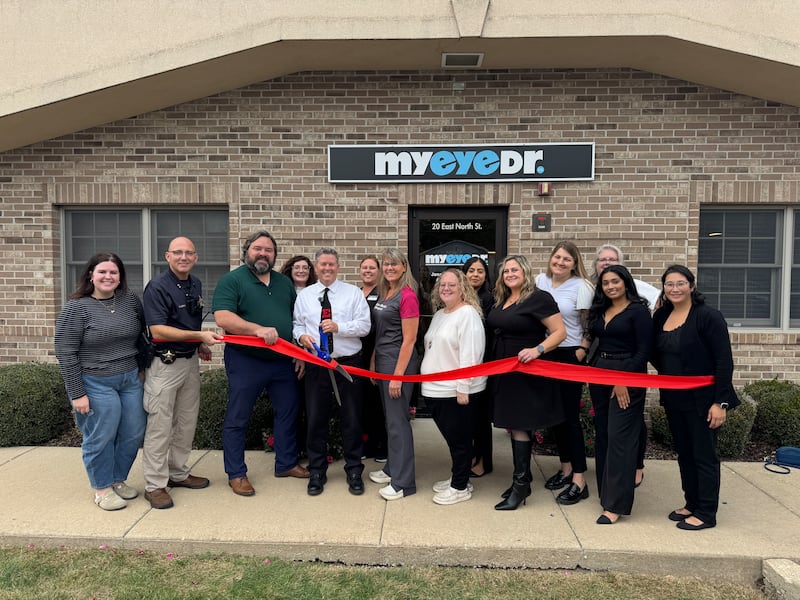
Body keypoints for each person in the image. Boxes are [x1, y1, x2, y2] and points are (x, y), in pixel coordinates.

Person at [212, 230, 308, 497]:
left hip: (282, 361)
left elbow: (295, 320)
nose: (263, 254)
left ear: (274, 255)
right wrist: (256, 329)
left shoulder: (283, 283)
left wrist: (298, 352)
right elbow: (222, 317)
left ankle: (286, 463)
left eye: (268, 250)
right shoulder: (232, 280)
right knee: (238, 416)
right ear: (247, 252)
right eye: (258, 249)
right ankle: (236, 473)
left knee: (288, 411)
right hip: (246, 361)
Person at [54, 253, 147, 511]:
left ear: (120, 277)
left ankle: (117, 479)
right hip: (95, 381)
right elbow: (65, 351)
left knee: (133, 432)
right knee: (101, 435)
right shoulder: (77, 307)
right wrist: (77, 393)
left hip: (129, 379)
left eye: (114, 272)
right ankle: (102, 488)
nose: (108, 277)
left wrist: (140, 369)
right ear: (90, 275)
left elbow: (141, 337)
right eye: (102, 272)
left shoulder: (129, 301)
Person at [651, 265, 738, 531]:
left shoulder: (708, 316)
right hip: (675, 400)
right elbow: (655, 353)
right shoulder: (661, 316)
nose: (674, 289)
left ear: (691, 285)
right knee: (685, 454)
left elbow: (724, 361)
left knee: (704, 456)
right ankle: (691, 503)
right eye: (669, 284)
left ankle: (706, 512)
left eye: (680, 284)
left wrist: (720, 402)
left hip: (704, 401)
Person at [140, 237, 224, 509]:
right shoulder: (157, 287)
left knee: (186, 422)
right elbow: (158, 330)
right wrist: (198, 334)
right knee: (160, 426)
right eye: (178, 252)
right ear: (167, 256)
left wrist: (198, 342)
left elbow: (190, 318)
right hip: (165, 365)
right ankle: (155, 485)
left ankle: (177, 473)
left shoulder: (195, 283)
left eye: (189, 253)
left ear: (196, 257)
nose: (183, 257)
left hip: (189, 362)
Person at [487, 255, 567, 511]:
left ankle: (521, 485)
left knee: (520, 423)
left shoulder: (538, 297)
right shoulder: (502, 298)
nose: (510, 274)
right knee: (512, 422)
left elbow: (560, 332)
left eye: (515, 269)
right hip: (503, 367)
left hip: (525, 368)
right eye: (506, 270)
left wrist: (538, 349)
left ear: (525, 271)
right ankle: (523, 481)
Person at [293, 248, 371, 496]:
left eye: (331, 265)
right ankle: (317, 471)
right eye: (323, 265)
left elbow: (365, 326)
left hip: (348, 364)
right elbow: (296, 324)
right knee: (316, 419)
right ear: (316, 267)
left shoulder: (353, 294)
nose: (327, 269)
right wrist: (300, 336)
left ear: (338, 266)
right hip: (317, 365)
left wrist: (339, 327)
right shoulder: (305, 295)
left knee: (352, 418)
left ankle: (354, 470)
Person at [587, 265, 653, 524]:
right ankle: (606, 493)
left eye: (615, 281)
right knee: (603, 432)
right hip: (599, 373)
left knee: (620, 438)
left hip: (628, 375)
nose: (611, 286)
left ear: (625, 282)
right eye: (606, 283)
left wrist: (622, 379)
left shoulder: (638, 312)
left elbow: (644, 351)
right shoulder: (601, 309)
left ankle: (615, 506)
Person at [535, 241, 594, 505]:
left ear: (574, 263)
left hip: (570, 353)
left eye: (566, 259)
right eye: (557, 257)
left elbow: (588, 323)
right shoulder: (540, 281)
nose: (560, 262)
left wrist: (583, 349)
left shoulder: (582, 286)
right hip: (547, 352)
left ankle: (580, 481)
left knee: (570, 417)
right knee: (556, 416)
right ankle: (566, 468)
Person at [421, 269, 487, 505]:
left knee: (460, 441)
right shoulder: (440, 314)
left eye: (452, 285)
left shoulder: (468, 314)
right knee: (453, 439)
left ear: (463, 289)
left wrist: (463, 387)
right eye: (442, 285)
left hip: (454, 391)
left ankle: (460, 487)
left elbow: (471, 353)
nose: (446, 288)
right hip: (435, 389)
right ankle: (457, 478)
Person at [367, 248, 420, 501]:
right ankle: (392, 469)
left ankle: (404, 482)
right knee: (391, 420)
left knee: (398, 423)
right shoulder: (385, 292)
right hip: (384, 361)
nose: (389, 268)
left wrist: (398, 376)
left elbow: (409, 340)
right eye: (386, 264)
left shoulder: (407, 296)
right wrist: (374, 361)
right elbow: (380, 333)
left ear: (404, 267)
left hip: (400, 364)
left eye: (394, 264)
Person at [280, 254, 317, 457]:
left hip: (309, 354)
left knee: (307, 403)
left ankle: (306, 448)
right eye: (297, 267)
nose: (302, 270)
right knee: (290, 404)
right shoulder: (282, 291)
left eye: (306, 267)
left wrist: (304, 353)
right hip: (287, 353)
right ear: (290, 270)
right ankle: (291, 449)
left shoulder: (316, 293)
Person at [462, 256, 493, 478]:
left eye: (480, 271)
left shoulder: (489, 299)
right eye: (471, 270)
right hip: (464, 365)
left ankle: (483, 462)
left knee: (480, 417)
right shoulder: (461, 298)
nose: (475, 274)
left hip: (482, 363)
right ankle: (471, 457)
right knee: (468, 418)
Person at [358, 255, 388, 463]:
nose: (368, 271)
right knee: (361, 403)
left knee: (378, 403)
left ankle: (382, 447)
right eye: (364, 268)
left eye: (372, 268)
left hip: (376, 353)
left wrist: (374, 358)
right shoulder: (355, 293)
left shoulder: (384, 294)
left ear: (378, 271)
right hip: (356, 354)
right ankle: (365, 444)